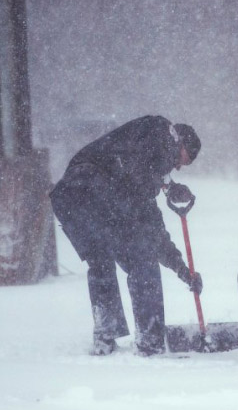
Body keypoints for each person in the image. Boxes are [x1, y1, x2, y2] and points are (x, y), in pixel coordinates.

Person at [49, 115, 202, 356]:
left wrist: (182, 268)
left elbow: (150, 223)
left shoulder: (145, 150)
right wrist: (166, 186)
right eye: (183, 161)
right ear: (181, 143)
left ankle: (105, 338)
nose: (178, 167)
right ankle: (149, 342)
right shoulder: (159, 139)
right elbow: (149, 223)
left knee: (101, 262)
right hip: (92, 191)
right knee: (142, 261)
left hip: (71, 196)